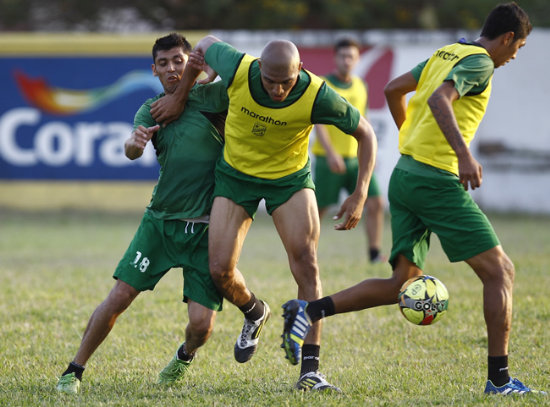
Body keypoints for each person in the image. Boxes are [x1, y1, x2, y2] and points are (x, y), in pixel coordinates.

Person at [281, 2, 546, 396]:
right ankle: (500, 380)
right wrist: (463, 155)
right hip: (434, 181)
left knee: (400, 284)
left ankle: (309, 309)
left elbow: (393, 90)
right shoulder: (481, 63)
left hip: (405, 174)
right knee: (500, 271)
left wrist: (412, 139)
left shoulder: (447, 52)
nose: (514, 56)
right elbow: (441, 100)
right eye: (519, 47)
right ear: (508, 38)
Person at [150, 35, 378, 391]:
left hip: (288, 181)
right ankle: (255, 312)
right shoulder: (239, 67)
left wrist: (361, 192)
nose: (277, 90)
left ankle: (310, 370)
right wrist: (180, 97)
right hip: (235, 179)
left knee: (307, 263)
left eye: (285, 82)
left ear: (300, 70)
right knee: (219, 271)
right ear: (258, 68)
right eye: (270, 81)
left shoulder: (316, 93)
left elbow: (366, 133)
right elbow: (206, 43)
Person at [56, 33, 230, 394]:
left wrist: (211, 71)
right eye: (163, 63)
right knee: (118, 297)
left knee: (202, 326)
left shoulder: (213, 98)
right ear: (153, 70)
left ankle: (183, 357)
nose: (171, 68)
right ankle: (73, 371)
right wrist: (132, 146)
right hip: (161, 223)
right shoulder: (151, 109)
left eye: (178, 60)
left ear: (191, 62)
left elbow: (238, 77)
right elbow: (132, 147)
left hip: (206, 230)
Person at [311, 37, 386, 263]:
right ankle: (308, 252)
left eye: (351, 56)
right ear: (335, 58)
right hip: (328, 159)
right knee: (319, 210)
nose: (347, 60)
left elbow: (366, 122)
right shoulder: (323, 85)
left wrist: (371, 153)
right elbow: (319, 123)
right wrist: (331, 152)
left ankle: (374, 253)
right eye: (343, 56)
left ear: (357, 59)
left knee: (375, 203)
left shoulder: (361, 85)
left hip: (356, 159)